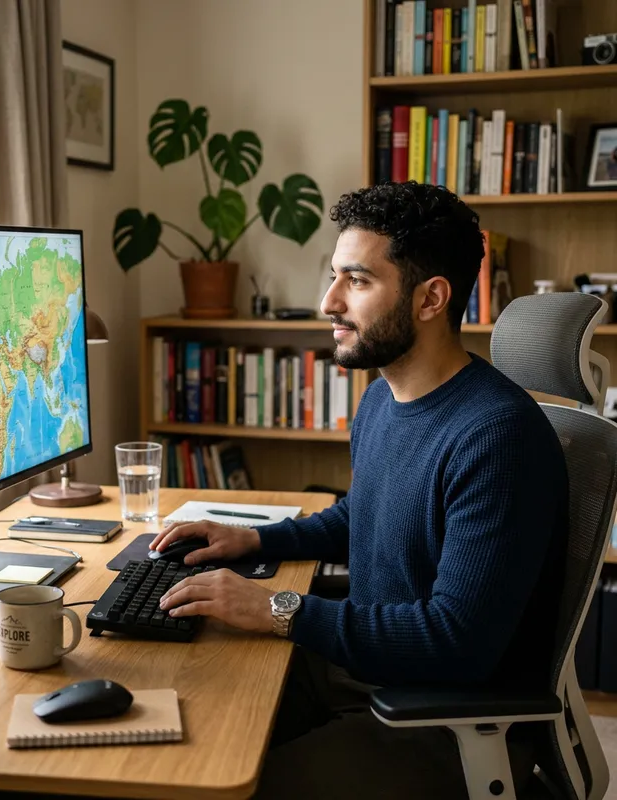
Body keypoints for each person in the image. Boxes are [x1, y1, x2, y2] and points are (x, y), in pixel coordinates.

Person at [150, 181, 568, 799]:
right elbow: (364, 515)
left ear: (431, 299)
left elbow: (457, 642)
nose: (328, 302)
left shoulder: (497, 437)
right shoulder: (383, 397)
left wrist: (276, 608)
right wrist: (250, 539)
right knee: (183, 720)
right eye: (333, 277)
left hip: (444, 724)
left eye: (358, 281)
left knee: (218, 785)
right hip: (364, 674)